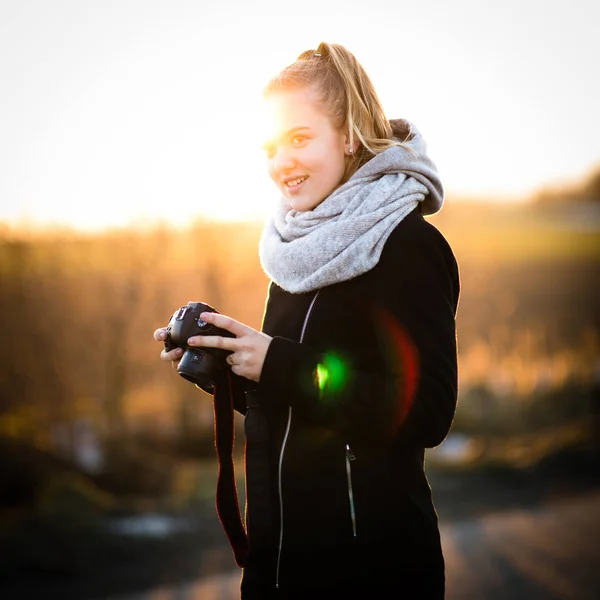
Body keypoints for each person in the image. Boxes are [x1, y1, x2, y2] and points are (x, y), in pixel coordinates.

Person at [154, 42, 459, 599]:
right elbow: (307, 403)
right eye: (270, 146)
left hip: (372, 571)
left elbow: (426, 411)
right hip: (283, 566)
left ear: (348, 135)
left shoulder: (407, 245)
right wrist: (231, 372)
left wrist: (279, 363)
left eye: (299, 139)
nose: (281, 163)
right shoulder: (298, 252)